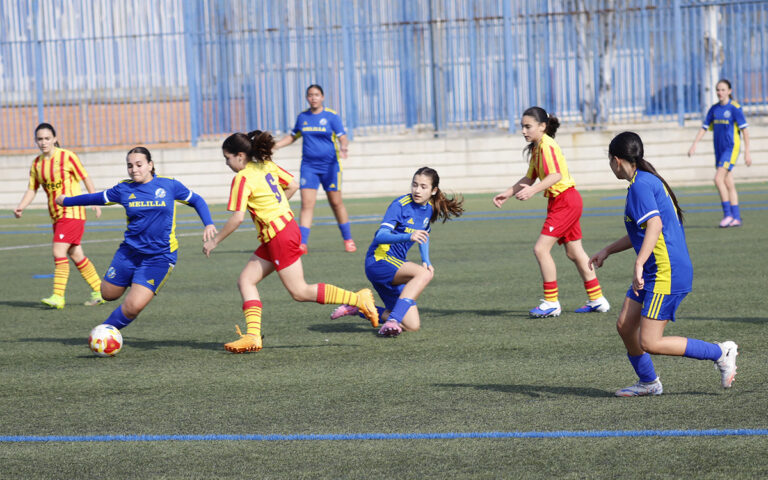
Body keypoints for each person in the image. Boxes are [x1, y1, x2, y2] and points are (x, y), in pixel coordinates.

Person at [202, 130, 378, 353]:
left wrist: (214, 241)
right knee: (246, 280)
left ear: (239, 155)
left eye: (227, 158)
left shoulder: (242, 178)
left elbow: (237, 218)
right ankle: (253, 336)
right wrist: (277, 208)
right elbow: (293, 185)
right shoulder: (266, 165)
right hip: (282, 230)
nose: (227, 163)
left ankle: (358, 298)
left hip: (279, 235)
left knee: (300, 291)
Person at [590, 131, 737, 396]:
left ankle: (720, 352)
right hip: (654, 269)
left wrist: (638, 263)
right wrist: (608, 250)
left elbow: (655, 225)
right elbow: (642, 230)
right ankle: (648, 382)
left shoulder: (640, 185)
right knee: (625, 326)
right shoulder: (644, 180)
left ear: (615, 160)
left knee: (650, 341)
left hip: (666, 272)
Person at [54, 146, 217, 332]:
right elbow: (96, 197)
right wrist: (66, 201)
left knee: (133, 307)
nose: (134, 169)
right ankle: (134, 278)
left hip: (159, 257)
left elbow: (196, 200)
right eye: (130, 166)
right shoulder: (124, 188)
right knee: (107, 294)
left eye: (139, 164)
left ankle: (104, 331)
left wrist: (209, 223)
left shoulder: (169, 185)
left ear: (150, 165)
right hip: (129, 253)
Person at [492, 107, 610, 318]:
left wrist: (533, 191)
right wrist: (508, 193)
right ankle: (597, 299)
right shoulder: (537, 148)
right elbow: (529, 178)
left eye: (528, 126)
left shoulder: (547, 146)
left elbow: (555, 175)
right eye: (522, 126)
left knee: (540, 249)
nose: (523, 131)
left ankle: (551, 302)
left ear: (542, 126)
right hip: (563, 201)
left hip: (565, 201)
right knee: (574, 252)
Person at [330, 167, 464, 336]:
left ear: (433, 191)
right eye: (414, 185)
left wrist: (426, 260)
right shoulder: (400, 205)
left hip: (394, 267)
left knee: (412, 325)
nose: (417, 190)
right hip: (379, 260)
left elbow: (424, 234)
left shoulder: (429, 208)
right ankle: (393, 320)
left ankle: (359, 307)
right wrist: (408, 236)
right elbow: (380, 236)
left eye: (423, 187)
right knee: (423, 275)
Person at [14, 123, 105, 309]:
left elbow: (85, 177)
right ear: (36, 141)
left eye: (47, 138)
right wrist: (21, 207)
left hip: (72, 212)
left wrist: (93, 200)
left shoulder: (67, 156)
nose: (43, 142)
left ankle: (58, 296)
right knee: (75, 253)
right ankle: (99, 291)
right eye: (40, 139)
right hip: (56, 216)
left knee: (58, 251)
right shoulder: (37, 164)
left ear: (54, 138)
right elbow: (32, 189)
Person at [273, 84, 355, 253]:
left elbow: (343, 137)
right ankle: (302, 243)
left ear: (322, 97)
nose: (313, 98)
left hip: (330, 166)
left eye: (317, 95)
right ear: (307, 98)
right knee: (307, 204)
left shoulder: (331, 116)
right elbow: (293, 136)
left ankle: (348, 240)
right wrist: (276, 145)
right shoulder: (303, 117)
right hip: (309, 167)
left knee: (336, 202)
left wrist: (344, 146)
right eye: (310, 95)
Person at [687, 79, 752, 227]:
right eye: (718, 90)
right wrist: (694, 144)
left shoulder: (735, 108)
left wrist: (747, 152)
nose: (720, 92)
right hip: (719, 149)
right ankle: (736, 218)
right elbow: (704, 127)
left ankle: (728, 215)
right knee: (728, 182)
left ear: (729, 91)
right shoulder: (714, 109)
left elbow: (745, 130)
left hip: (731, 148)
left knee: (718, 179)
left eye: (723, 90)